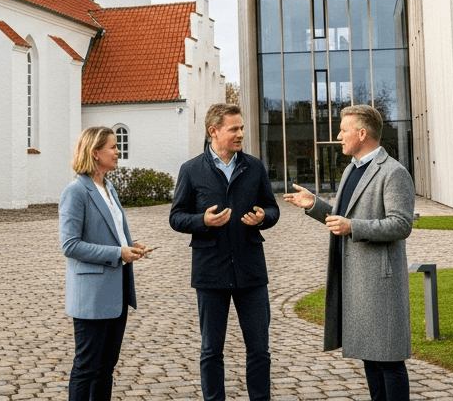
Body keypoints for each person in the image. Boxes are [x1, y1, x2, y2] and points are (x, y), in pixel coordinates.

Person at [282, 104, 416, 401]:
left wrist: (353, 226)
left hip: (380, 285)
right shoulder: (350, 171)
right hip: (355, 282)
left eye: (343, 130)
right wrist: (314, 205)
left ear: (362, 133)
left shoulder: (393, 172)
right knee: (370, 357)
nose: (339, 136)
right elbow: (341, 218)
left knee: (389, 361)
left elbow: (401, 224)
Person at [169, 103, 280, 401]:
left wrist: (263, 218)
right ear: (213, 131)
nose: (240, 133)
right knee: (211, 350)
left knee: (259, 349)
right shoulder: (191, 170)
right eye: (234, 129)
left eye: (241, 128)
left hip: (251, 271)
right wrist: (202, 221)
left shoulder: (254, 167)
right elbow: (176, 217)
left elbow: (272, 208)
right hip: (210, 272)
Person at [59, 126, 150, 401]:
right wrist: (117, 253)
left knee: (106, 368)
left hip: (117, 290)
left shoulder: (108, 187)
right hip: (92, 295)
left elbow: (113, 232)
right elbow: (70, 245)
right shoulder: (76, 191)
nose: (117, 151)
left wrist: (130, 246)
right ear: (96, 153)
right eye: (112, 146)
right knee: (86, 368)